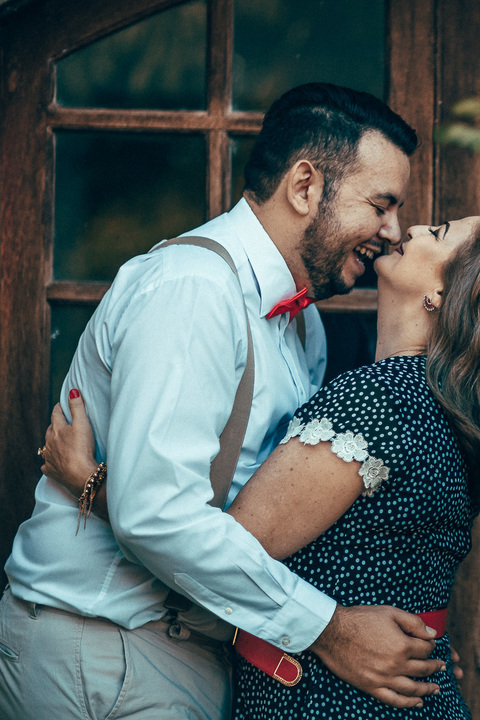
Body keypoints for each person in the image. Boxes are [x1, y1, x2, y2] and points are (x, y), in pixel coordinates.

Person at [0, 83, 452, 720]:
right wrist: (332, 631)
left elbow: (261, 513)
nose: (393, 231)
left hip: (191, 652)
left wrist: (94, 483)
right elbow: (157, 515)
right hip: (105, 649)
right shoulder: (192, 291)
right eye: (381, 205)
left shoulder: (304, 325)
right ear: (304, 186)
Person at [42, 213, 480, 718]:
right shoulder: (445, 407)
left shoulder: (380, 398)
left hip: (335, 702)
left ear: (445, 295)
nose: (413, 227)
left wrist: (89, 480)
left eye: (440, 232)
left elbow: (230, 548)